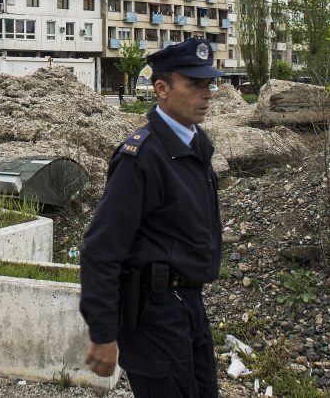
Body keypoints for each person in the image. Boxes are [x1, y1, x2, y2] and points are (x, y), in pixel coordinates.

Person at [80, 37, 224, 397]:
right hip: (154, 314)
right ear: (161, 88)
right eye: (194, 85)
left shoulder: (194, 143)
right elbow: (101, 249)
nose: (206, 94)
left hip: (188, 303)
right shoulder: (141, 157)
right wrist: (103, 333)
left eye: (208, 84)